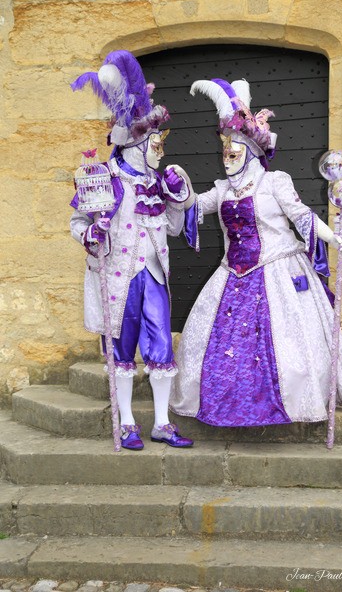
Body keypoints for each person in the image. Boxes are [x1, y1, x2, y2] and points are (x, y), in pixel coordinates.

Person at [169, 77, 342, 427]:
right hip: (231, 275)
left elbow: (302, 216)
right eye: (224, 153)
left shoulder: (275, 181)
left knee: (291, 349)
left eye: (234, 152)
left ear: (251, 152)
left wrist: (335, 239)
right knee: (213, 350)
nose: (227, 159)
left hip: (279, 271)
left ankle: (294, 401)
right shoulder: (222, 190)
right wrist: (178, 188)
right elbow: (194, 207)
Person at [70, 50, 193, 449]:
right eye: (156, 140)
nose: (161, 147)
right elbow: (78, 225)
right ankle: (126, 423)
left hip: (154, 275)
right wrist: (95, 232)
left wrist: (178, 200)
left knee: (160, 348)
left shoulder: (159, 182)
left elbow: (173, 228)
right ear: (136, 143)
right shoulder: (103, 179)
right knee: (122, 350)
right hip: (119, 276)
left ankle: (161, 422)